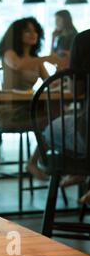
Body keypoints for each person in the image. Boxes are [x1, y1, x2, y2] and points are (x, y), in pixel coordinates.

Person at [0, 17, 60, 180]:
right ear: (18, 34)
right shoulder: (9, 54)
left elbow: (50, 83)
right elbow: (18, 66)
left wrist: (63, 71)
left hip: (28, 110)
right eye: (27, 30)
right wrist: (46, 58)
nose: (33, 34)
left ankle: (37, 162)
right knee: (55, 123)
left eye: (35, 30)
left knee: (58, 119)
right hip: (9, 112)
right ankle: (36, 163)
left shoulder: (36, 60)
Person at [44, 28, 90, 204]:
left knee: (51, 129)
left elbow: (75, 91)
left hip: (88, 137)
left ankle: (82, 171)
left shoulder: (84, 40)